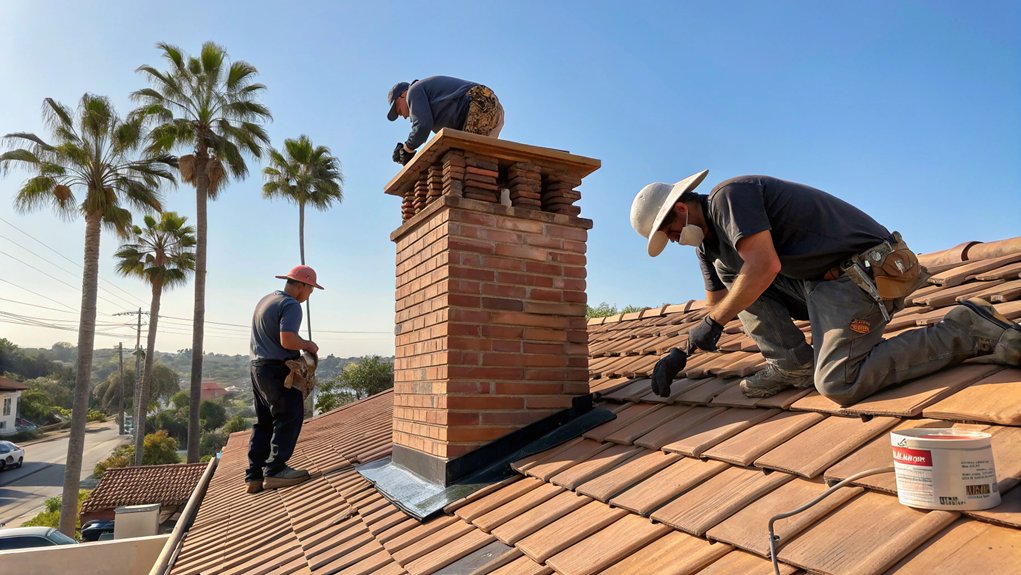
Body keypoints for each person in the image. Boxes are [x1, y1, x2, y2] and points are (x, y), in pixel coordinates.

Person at [630, 171, 1021, 406]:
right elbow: (720, 306)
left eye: (671, 232)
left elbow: (764, 266)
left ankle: (963, 329)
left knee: (838, 382)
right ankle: (793, 366)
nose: (676, 239)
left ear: (680, 210)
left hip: (864, 272)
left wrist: (714, 322)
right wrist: (681, 351)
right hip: (818, 284)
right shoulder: (708, 247)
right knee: (732, 275)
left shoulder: (730, 198)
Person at [246, 265, 322, 493]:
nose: (309, 296)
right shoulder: (290, 304)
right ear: (301, 286)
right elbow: (287, 340)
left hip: (257, 368)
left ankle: (254, 476)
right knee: (289, 415)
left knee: (264, 421)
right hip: (276, 369)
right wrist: (308, 345)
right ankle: (276, 471)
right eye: (310, 291)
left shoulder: (266, 300)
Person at [386, 75, 504, 165]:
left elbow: (422, 126)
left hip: (479, 103)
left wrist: (407, 149)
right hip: (491, 108)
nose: (402, 116)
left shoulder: (413, 91)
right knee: (482, 164)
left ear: (403, 94)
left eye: (398, 110)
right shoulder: (431, 102)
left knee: (467, 161)